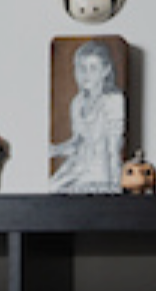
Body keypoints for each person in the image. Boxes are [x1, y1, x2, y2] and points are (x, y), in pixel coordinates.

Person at [48, 40, 125, 194]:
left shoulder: (114, 101)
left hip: (101, 172)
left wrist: (115, 184)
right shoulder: (77, 102)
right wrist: (55, 150)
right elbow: (78, 143)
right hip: (78, 167)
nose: (86, 75)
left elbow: (114, 147)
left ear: (105, 70)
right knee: (51, 188)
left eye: (93, 68)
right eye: (81, 68)